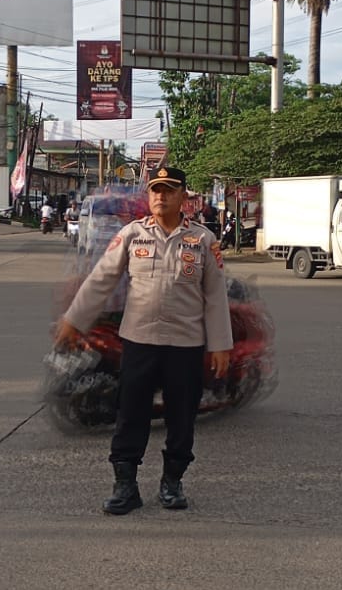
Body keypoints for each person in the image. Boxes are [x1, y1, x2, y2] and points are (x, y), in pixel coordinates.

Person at [53, 165, 232, 515]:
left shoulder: (203, 240)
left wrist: (221, 344)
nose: (160, 196)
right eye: (155, 190)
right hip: (139, 341)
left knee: (182, 416)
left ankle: (172, 482)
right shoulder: (132, 235)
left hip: (185, 344)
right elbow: (100, 280)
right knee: (130, 414)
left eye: (168, 190)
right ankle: (125, 486)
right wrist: (75, 319)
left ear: (184, 196)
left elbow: (216, 298)